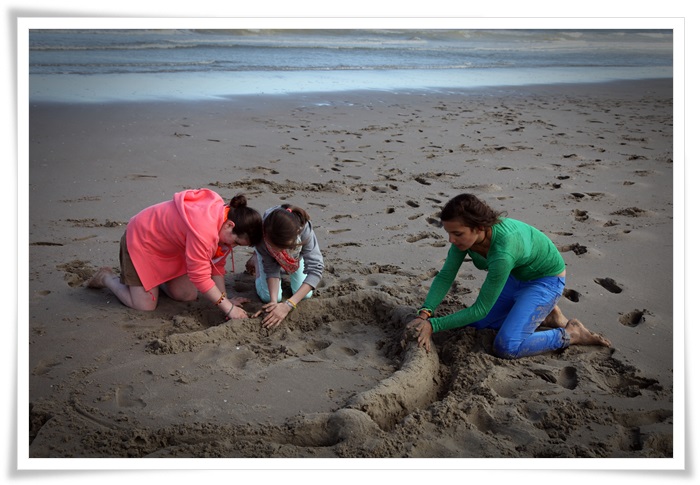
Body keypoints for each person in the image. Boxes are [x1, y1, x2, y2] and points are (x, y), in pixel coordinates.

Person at [407, 193, 611, 358]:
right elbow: (445, 276)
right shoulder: (463, 241)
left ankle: (570, 334)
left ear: (479, 227)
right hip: (515, 277)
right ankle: (546, 315)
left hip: (545, 280)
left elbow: (479, 308)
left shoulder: (503, 251)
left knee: (507, 346)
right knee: (478, 324)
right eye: (448, 233)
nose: (451, 240)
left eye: (457, 234)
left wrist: (433, 325)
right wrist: (425, 312)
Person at [87, 189, 262, 320]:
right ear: (230, 225)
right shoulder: (205, 231)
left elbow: (217, 266)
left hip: (172, 248)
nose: (233, 247)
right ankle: (107, 278)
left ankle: (155, 280)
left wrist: (226, 299)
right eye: (236, 243)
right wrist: (229, 309)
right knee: (144, 305)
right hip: (143, 239)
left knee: (186, 295)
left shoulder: (224, 227)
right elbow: (200, 277)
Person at [250, 204, 324, 329]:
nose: (277, 251)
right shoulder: (263, 234)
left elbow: (316, 269)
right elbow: (271, 268)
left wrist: (288, 305)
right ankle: (257, 259)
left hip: (295, 257)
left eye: (280, 248)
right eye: (274, 248)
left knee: (305, 295)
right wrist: (273, 302)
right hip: (268, 256)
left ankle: (284, 258)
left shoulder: (304, 230)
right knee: (267, 297)